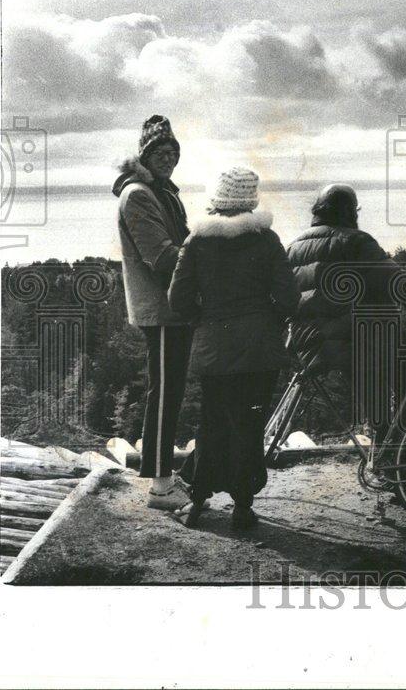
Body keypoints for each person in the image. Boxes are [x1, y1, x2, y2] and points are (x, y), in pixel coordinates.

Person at [169, 167, 298, 529]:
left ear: (216, 200)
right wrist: (268, 318)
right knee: (249, 425)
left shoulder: (197, 241)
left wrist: (204, 319)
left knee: (211, 423)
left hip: (214, 349)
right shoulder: (267, 240)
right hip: (259, 350)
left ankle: (197, 502)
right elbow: (289, 299)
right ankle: (243, 507)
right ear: (251, 200)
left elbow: (177, 299)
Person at [286, 184, 406, 440]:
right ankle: (400, 463)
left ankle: (387, 453)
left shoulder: (293, 247)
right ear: (349, 212)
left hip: (311, 347)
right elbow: (399, 283)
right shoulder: (356, 242)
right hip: (356, 344)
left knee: (373, 387)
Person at [112, 115, 193, 511]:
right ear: (145, 155)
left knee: (170, 390)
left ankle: (164, 476)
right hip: (162, 310)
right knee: (163, 394)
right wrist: (209, 262)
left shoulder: (161, 192)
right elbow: (162, 257)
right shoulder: (140, 195)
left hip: (174, 307)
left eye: (173, 152)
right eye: (160, 152)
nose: (168, 158)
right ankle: (161, 486)